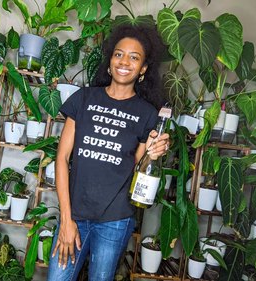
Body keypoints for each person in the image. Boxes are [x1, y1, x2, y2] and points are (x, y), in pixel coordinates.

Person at [47, 23, 169, 281]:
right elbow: (62, 158)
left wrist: (154, 153)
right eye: (119, 54)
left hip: (115, 220)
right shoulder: (84, 99)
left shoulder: (147, 114)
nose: (124, 61)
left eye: (134, 57)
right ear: (110, 60)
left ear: (144, 69)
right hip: (75, 214)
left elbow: (138, 166)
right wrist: (67, 220)